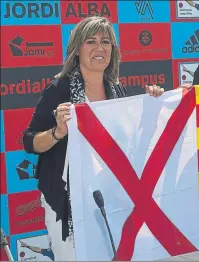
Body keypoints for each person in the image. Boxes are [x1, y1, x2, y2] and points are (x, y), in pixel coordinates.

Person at [22, 16, 164, 261]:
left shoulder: (117, 91)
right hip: (67, 203)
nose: (100, 48)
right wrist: (57, 133)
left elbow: (131, 143)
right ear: (78, 49)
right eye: (91, 41)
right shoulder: (60, 89)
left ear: (113, 50)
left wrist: (153, 106)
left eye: (106, 42)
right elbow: (30, 142)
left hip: (109, 197)